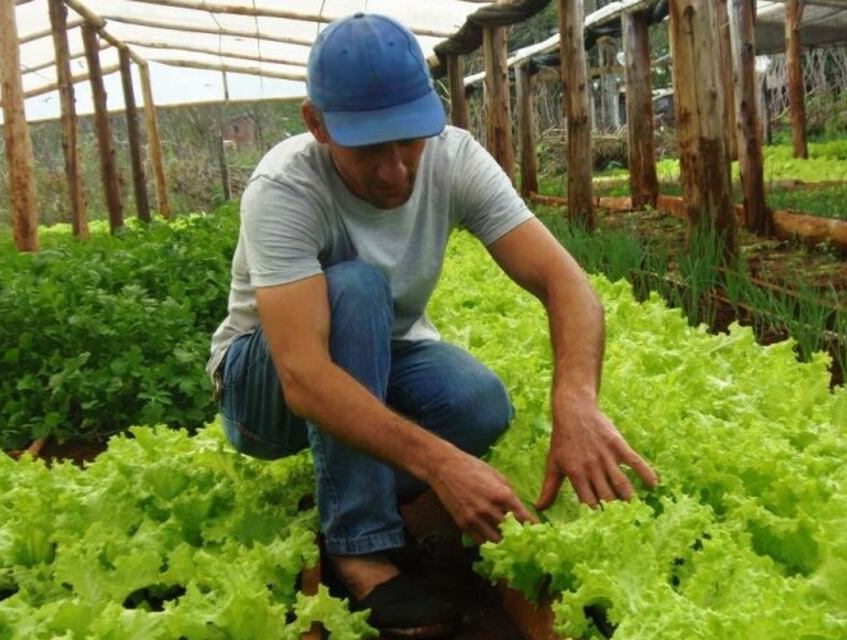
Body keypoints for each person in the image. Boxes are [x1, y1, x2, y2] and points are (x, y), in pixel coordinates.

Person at [207, 12, 658, 639]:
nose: (396, 171)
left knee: (479, 404)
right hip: (261, 392)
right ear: (317, 124)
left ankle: (346, 490)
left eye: (410, 140)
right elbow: (304, 378)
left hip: (379, 358)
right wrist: (442, 467)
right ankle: (358, 547)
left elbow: (567, 284)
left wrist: (577, 402)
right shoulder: (285, 187)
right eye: (370, 148)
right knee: (358, 287)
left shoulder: (455, 158)